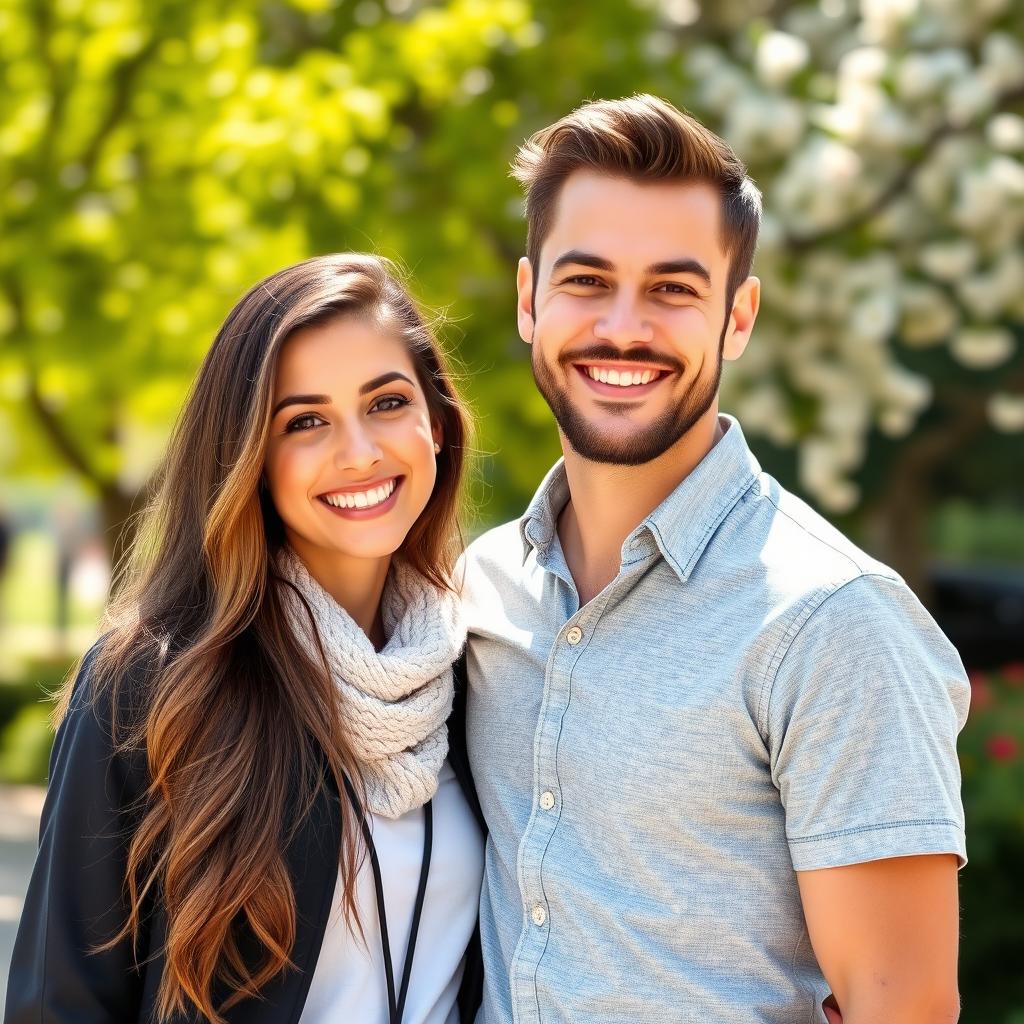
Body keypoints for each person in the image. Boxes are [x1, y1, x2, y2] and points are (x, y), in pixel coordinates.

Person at [459, 95, 968, 1024]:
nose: (624, 328)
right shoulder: (481, 591)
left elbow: (906, 1008)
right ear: (529, 301)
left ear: (738, 318)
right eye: (586, 281)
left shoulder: (835, 622)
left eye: (673, 288)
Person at [6, 254, 486, 1024]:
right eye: (305, 421)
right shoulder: (153, 684)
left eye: (387, 402)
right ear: (249, 458)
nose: (359, 450)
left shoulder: (479, 671)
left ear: (437, 423)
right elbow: (60, 1004)